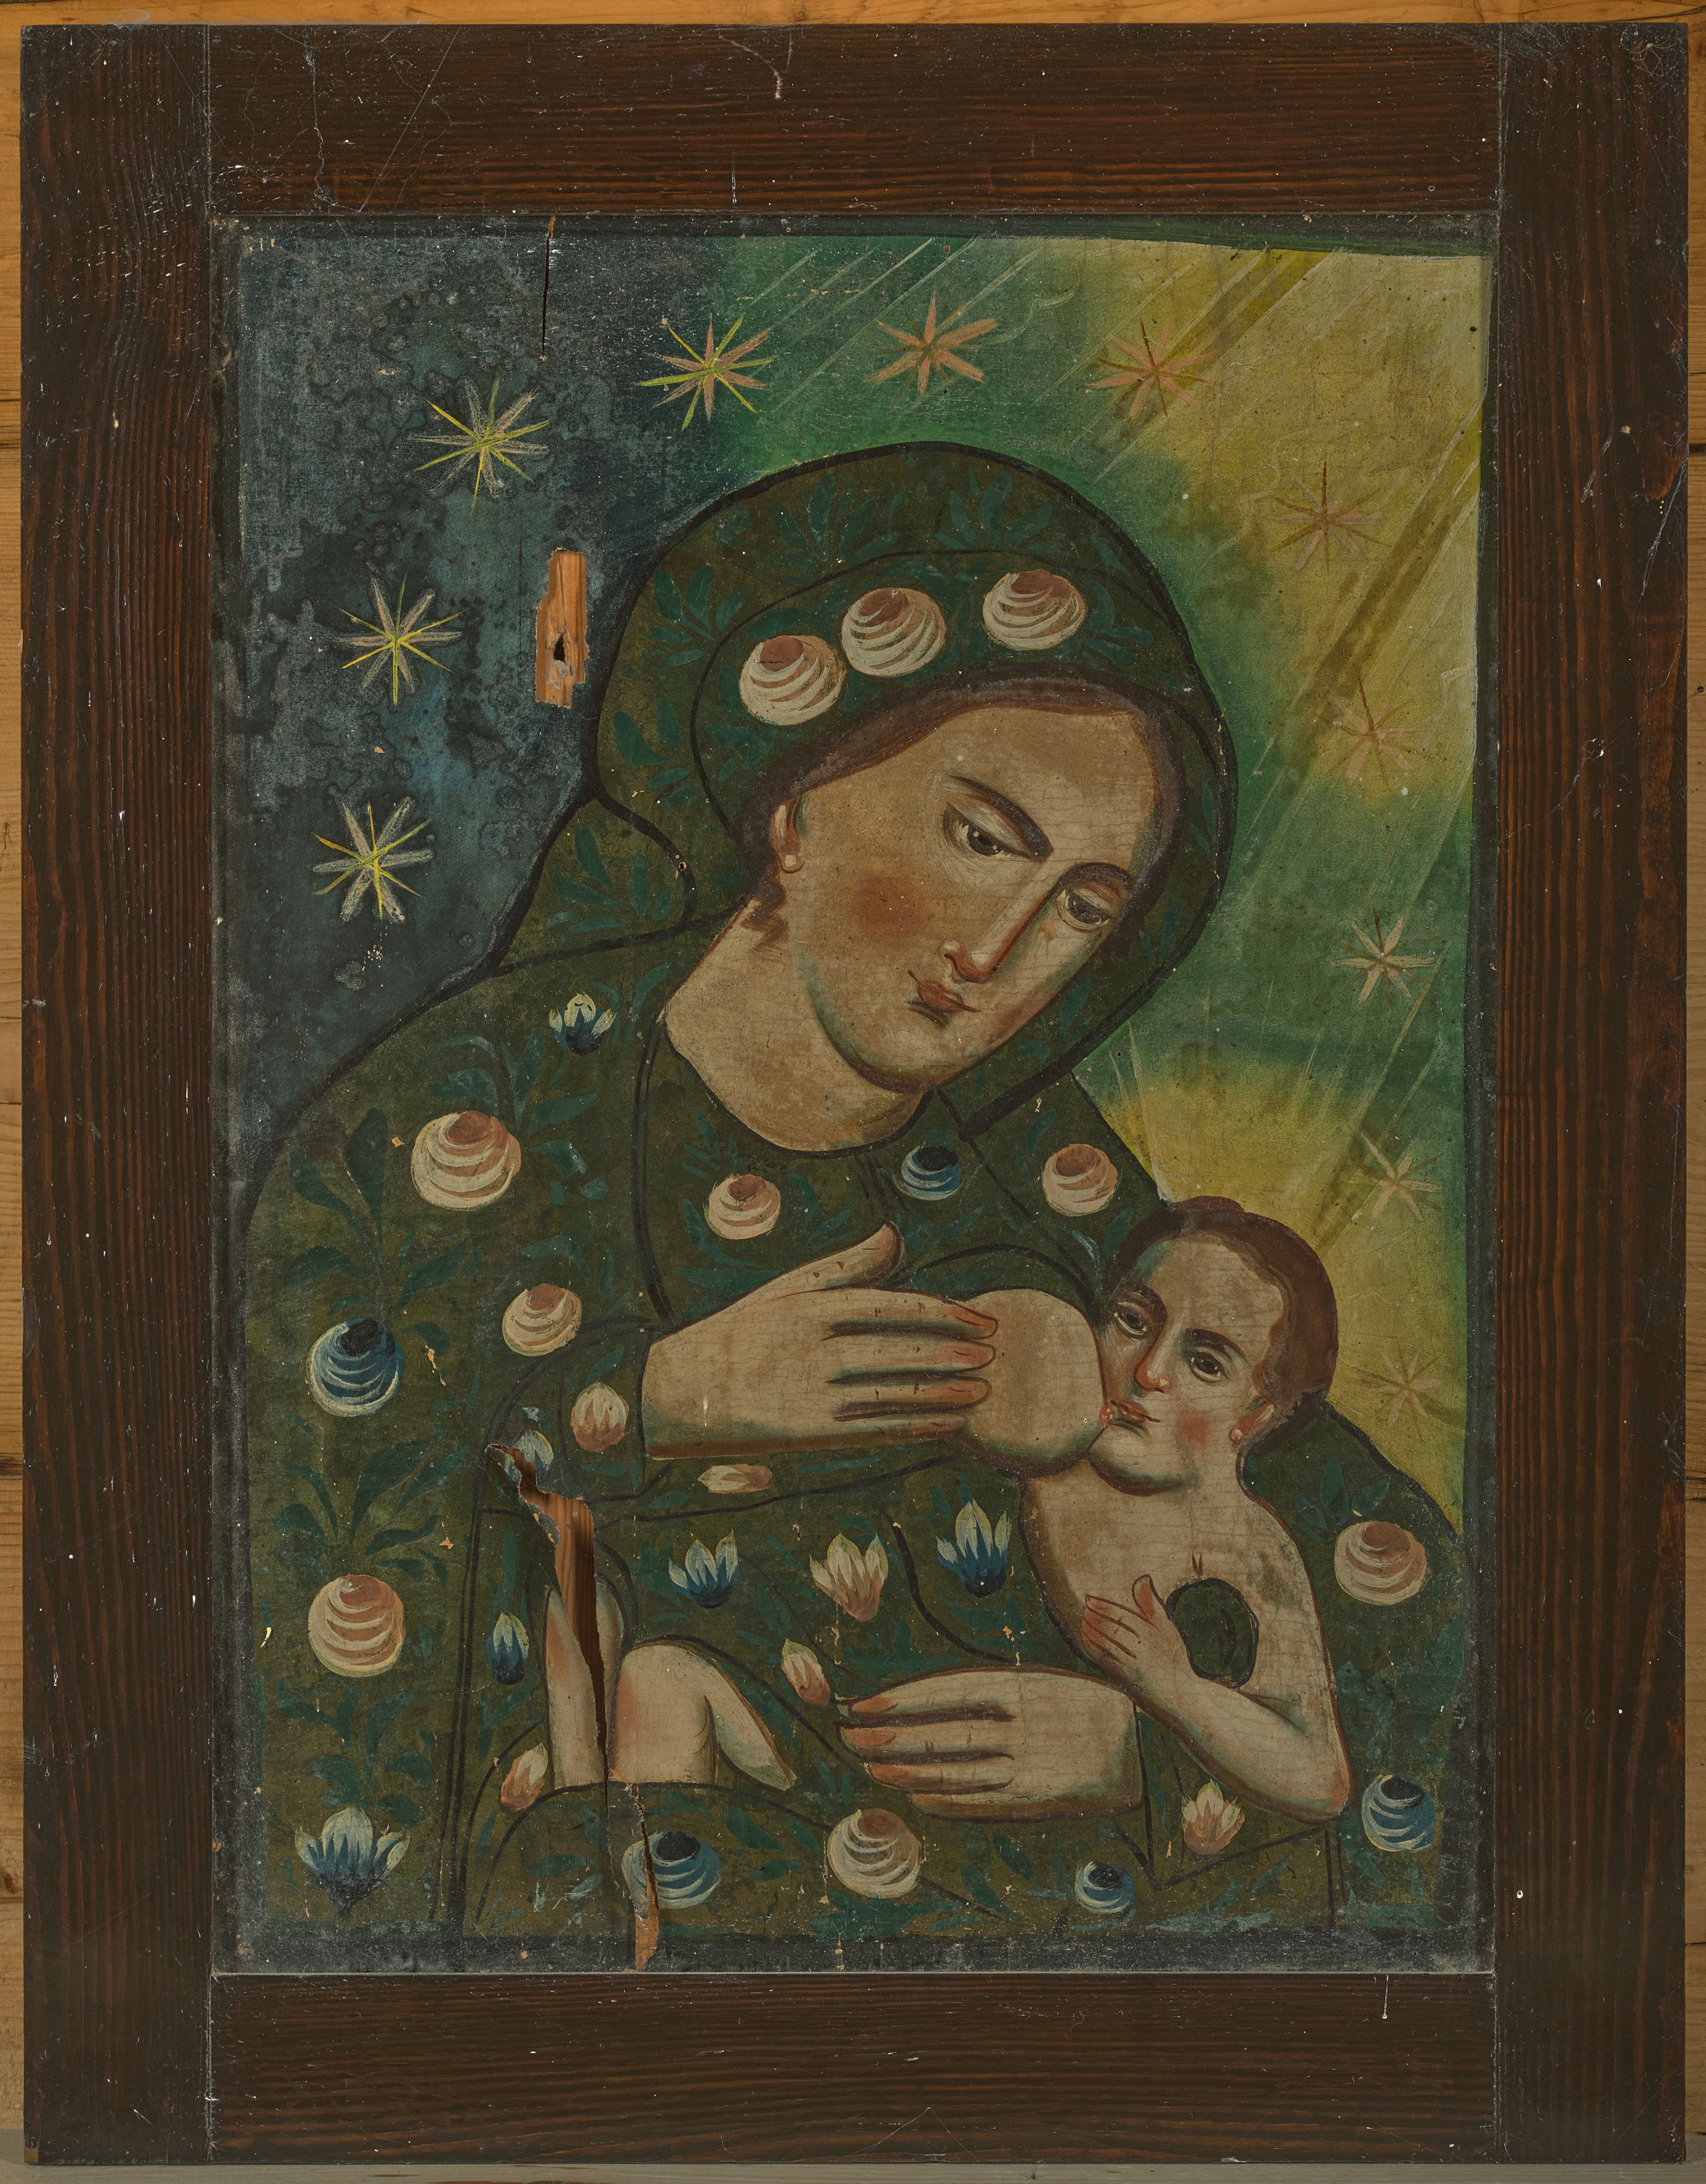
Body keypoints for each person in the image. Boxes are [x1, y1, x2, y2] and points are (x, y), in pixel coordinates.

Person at [245, 445, 1460, 1961]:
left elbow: (1390, 1608)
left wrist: (1148, 1752)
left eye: (1085, 907)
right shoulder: (449, 1119)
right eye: (982, 840)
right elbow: (313, 1529)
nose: (1001, 952)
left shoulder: (1042, 1172)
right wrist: (651, 1401)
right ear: (798, 802)